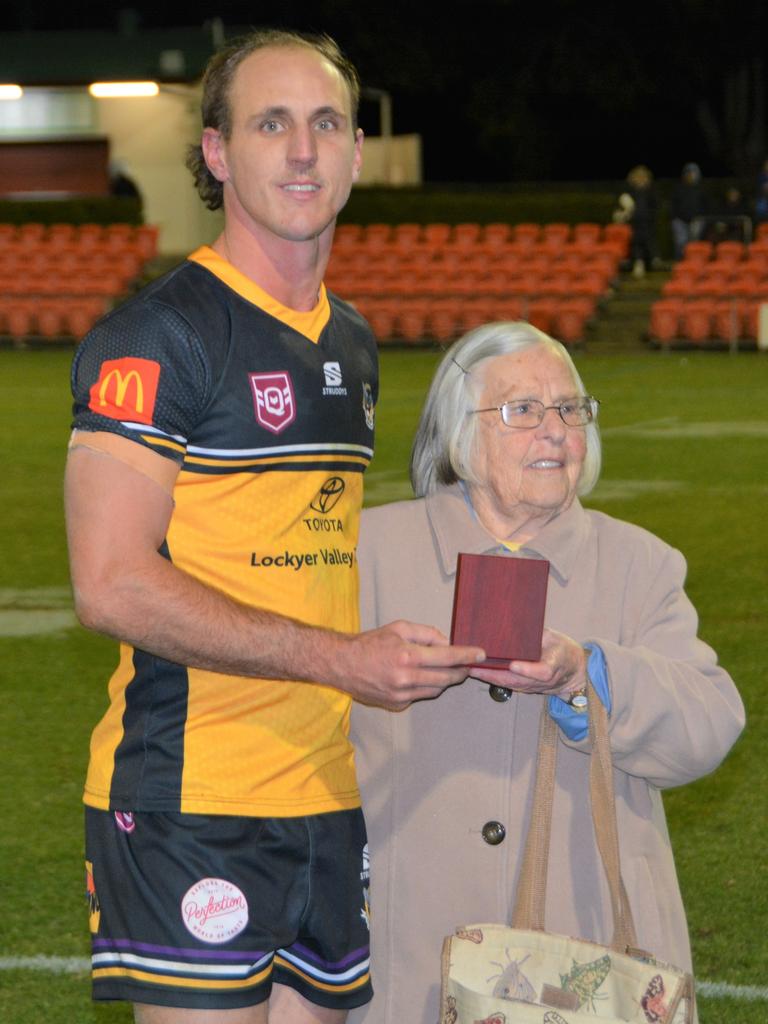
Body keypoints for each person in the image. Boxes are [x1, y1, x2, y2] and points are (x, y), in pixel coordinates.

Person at [65, 28, 484, 1024]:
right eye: (271, 123)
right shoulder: (159, 337)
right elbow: (110, 583)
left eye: (326, 122)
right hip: (189, 798)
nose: (303, 149)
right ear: (217, 152)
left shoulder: (352, 342)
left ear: (352, 153)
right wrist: (341, 659)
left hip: (326, 794)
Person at [347, 321, 745, 1024]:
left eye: (570, 409)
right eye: (523, 410)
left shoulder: (641, 565)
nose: (555, 430)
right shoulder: (369, 554)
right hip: (407, 947)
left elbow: (710, 725)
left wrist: (588, 675)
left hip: (586, 950)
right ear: (456, 432)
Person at [670, 162, 709, 259]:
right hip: (680, 221)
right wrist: (674, 218)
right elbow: (673, 206)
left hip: (697, 220)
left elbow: (706, 206)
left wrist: (702, 218)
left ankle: (692, 263)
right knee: (681, 243)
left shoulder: (702, 189)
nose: (691, 175)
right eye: (688, 173)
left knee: (694, 244)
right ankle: (680, 262)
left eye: (693, 173)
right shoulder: (678, 188)